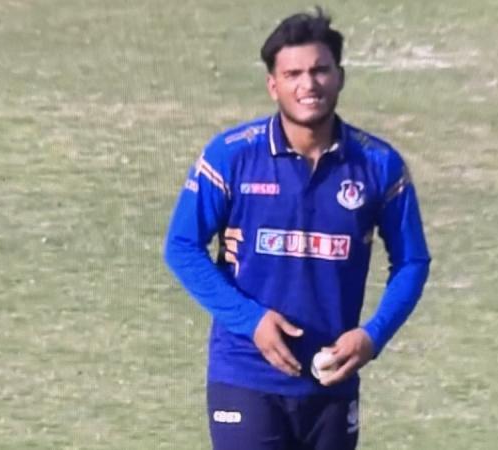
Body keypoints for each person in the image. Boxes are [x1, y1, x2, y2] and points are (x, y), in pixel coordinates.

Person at [164, 7, 431, 450]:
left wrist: (373, 336)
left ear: (340, 77)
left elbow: (413, 261)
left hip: (331, 383)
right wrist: (251, 322)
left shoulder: (379, 164)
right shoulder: (231, 156)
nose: (308, 85)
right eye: (293, 74)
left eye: (320, 70)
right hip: (245, 376)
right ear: (273, 84)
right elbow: (181, 246)